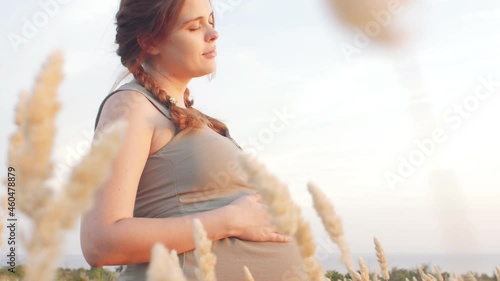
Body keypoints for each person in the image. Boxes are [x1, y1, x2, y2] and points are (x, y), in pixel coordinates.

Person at [80, 0, 306, 280]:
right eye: (194, 26)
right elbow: (99, 242)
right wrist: (230, 221)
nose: (213, 33)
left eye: (211, 21)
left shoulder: (188, 116)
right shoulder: (131, 105)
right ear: (150, 41)